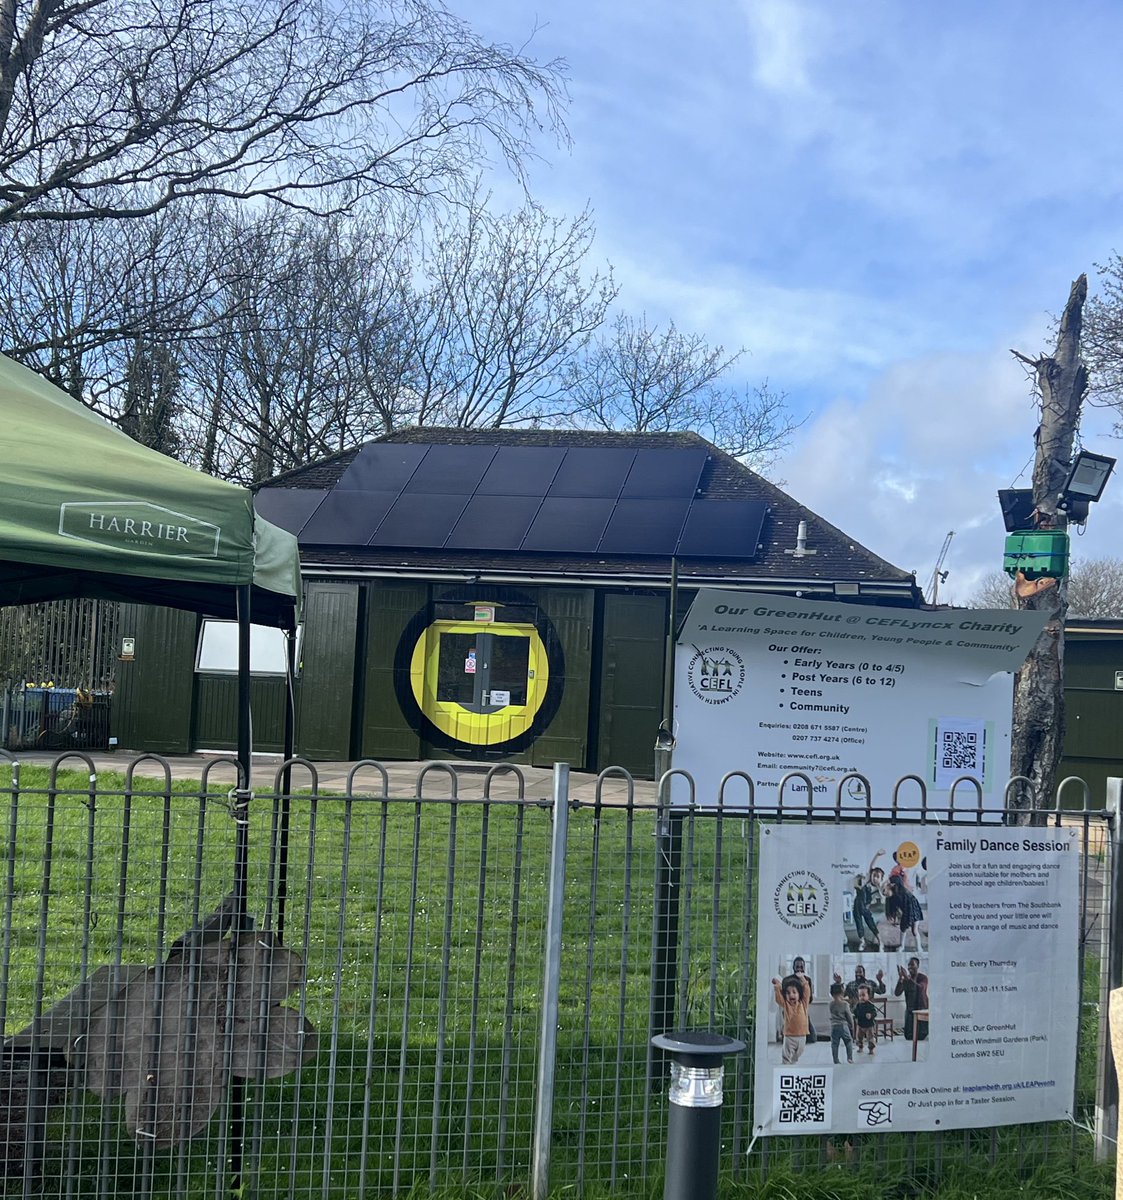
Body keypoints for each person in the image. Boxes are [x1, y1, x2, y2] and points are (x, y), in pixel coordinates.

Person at [772, 973, 812, 1064]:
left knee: (798, 1053)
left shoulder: (803, 1004)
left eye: (794, 992)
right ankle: (786, 1065)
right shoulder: (786, 1004)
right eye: (788, 993)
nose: (791, 995)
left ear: (799, 994)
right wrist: (778, 986)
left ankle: (793, 1064)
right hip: (789, 1036)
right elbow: (778, 998)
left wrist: (803, 979)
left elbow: (807, 991)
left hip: (802, 1036)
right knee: (786, 1055)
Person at [885, 876, 924, 951]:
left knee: (912, 930)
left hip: (913, 911)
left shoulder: (903, 893)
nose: (889, 884)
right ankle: (903, 946)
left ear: (895, 884)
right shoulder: (895, 892)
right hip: (909, 911)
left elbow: (907, 907)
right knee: (906, 929)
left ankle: (918, 947)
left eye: (891, 883)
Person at [894, 958, 929, 1042]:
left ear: (918, 966)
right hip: (910, 1011)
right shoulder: (906, 979)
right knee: (908, 1036)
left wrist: (907, 978)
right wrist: (900, 979)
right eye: (908, 965)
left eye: (912, 964)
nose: (910, 967)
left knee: (921, 1036)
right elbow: (897, 993)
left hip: (921, 1009)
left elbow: (920, 988)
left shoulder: (923, 977)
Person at [828, 982, 855, 1064]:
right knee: (848, 1041)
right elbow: (849, 1016)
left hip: (834, 1026)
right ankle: (849, 1058)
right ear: (842, 993)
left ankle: (836, 1060)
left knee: (835, 1044)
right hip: (843, 1025)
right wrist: (852, 1025)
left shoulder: (831, 1004)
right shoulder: (845, 1004)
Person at [851, 871, 879, 949]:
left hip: (865, 907)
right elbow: (857, 886)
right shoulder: (859, 887)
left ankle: (879, 940)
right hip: (857, 906)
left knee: (870, 922)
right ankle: (862, 941)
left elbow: (870, 899)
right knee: (859, 923)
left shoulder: (868, 888)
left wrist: (868, 905)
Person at [854, 984, 879, 1055]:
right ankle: (860, 1047)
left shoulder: (870, 1005)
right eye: (860, 995)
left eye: (863, 995)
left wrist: (871, 1015)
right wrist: (855, 1016)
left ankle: (871, 1049)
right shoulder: (858, 1005)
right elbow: (855, 1012)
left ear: (868, 996)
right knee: (859, 1037)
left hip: (869, 1025)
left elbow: (874, 1013)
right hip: (860, 1024)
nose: (861, 997)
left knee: (870, 1038)